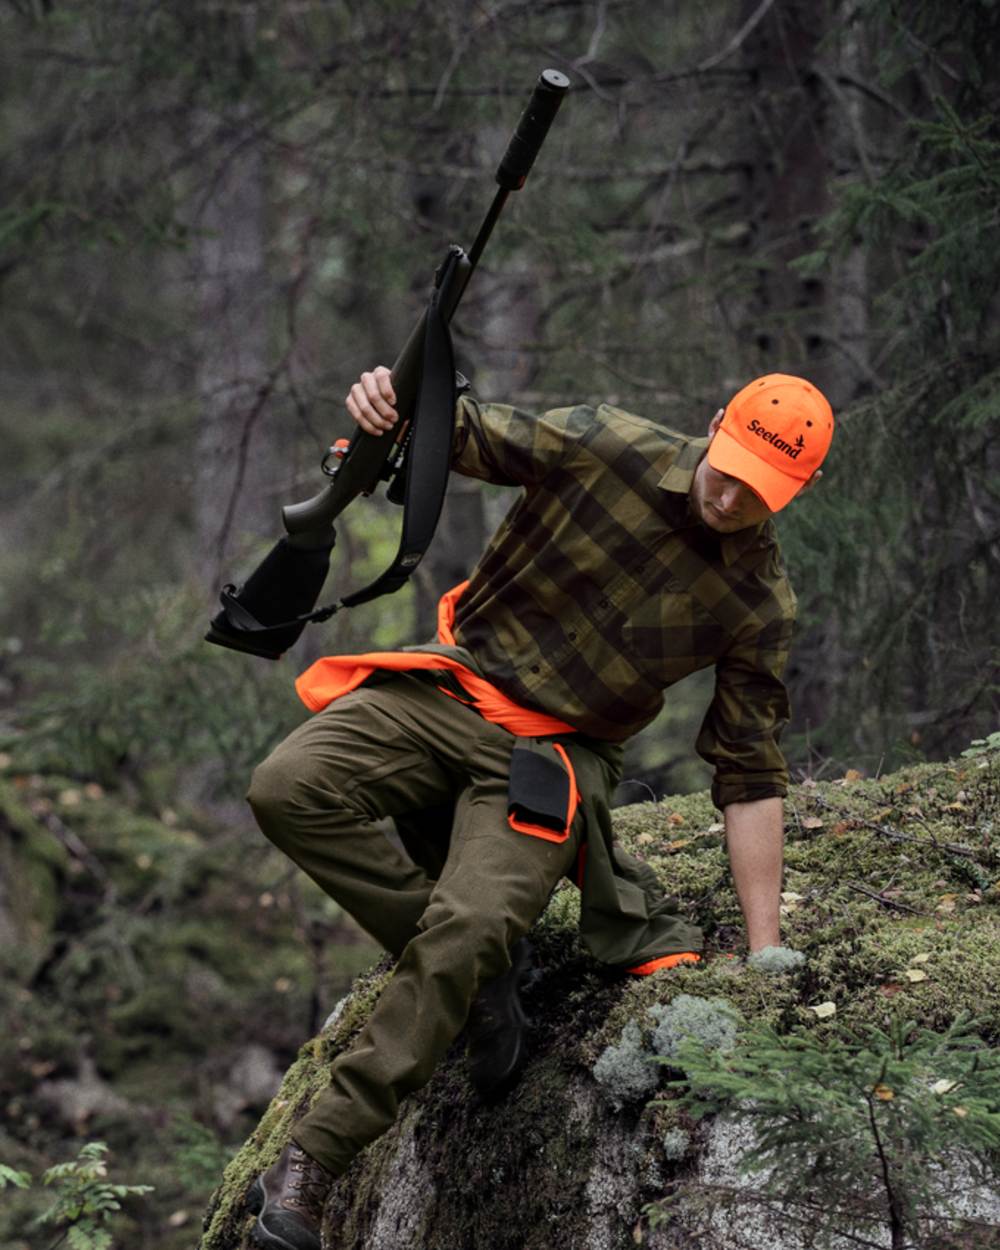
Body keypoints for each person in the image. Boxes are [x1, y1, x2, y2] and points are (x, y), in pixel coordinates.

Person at [245, 367, 835, 1250]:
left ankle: (312, 1161)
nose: (730, 498)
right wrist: (386, 410)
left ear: (798, 490)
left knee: (471, 925)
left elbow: (749, 772)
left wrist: (765, 949)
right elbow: (455, 435)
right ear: (717, 423)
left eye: (759, 492)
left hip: (556, 753)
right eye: (729, 470)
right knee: (286, 788)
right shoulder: (607, 444)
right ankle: (477, 983)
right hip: (452, 689)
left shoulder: (759, 602)